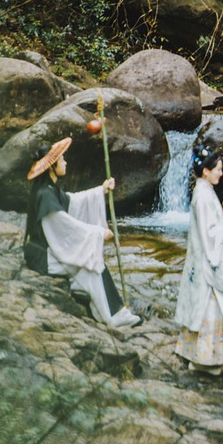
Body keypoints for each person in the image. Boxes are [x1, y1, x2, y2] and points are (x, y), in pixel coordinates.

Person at [23, 137, 142, 329]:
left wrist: (100, 191)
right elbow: (65, 225)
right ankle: (114, 316)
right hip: (43, 257)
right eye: (62, 160)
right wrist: (97, 232)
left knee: (89, 260)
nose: (66, 162)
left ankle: (107, 310)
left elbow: (73, 201)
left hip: (46, 252)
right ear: (53, 166)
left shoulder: (49, 190)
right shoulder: (45, 194)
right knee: (90, 264)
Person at [175, 146, 223, 374]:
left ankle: (194, 353)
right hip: (206, 264)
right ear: (205, 171)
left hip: (200, 261)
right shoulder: (205, 196)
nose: (220, 173)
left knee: (204, 307)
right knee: (210, 307)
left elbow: (211, 230)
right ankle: (204, 359)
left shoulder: (204, 192)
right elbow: (211, 235)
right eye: (217, 170)